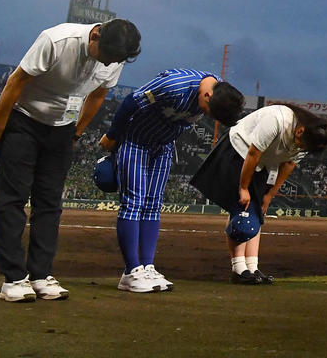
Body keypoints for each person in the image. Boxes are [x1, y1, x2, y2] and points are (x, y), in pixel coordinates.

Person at [0, 18, 141, 303]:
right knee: (13, 199)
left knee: (50, 204)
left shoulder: (115, 55)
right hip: (25, 121)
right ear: (95, 35)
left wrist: (76, 132)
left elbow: (99, 94)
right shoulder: (56, 40)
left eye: (114, 61)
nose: (107, 64)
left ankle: (40, 275)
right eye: (105, 57)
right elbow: (17, 80)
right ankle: (14, 279)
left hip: (62, 129)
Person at [101, 68, 245, 292]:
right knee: (133, 203)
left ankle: (146, 267)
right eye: (207, 110)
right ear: (207, 95)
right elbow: (131, 101)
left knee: (153, 205)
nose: (205, 114)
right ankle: (131, 271)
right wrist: (112, 135)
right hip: (135, 142)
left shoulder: (220, 93)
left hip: (163, 146)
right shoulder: (175, 85)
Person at [190, 103, 327, 284]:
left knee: (256, 214)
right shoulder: (277, 119)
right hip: (239, 152)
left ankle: (252, 267)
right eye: (301, 143)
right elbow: (253, 153)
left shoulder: (308, 140)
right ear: (300, 130)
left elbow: (289, 164)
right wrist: (243, 188)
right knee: (242, 212)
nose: (300, 147)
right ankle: (239, 269)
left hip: (264, 163)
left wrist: (269, 195)